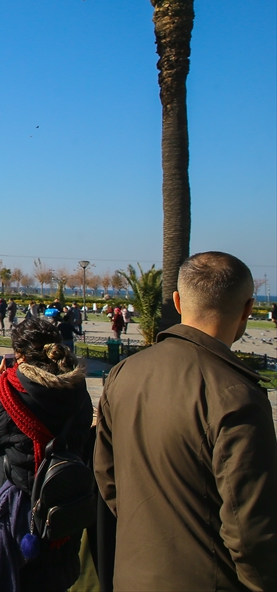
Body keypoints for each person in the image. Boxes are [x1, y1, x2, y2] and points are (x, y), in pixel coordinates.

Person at [95, 252, 276, 592]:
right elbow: (250, 529)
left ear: (177, 301)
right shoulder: (237, 395)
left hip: (133, 576)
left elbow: (107, 477)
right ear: (248, 309)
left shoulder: (125, 373)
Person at [0, 315, 90, 590]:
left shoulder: (12, 388)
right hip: (61, 499)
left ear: (20, 355)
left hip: (17, 504)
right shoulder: (77, 386)